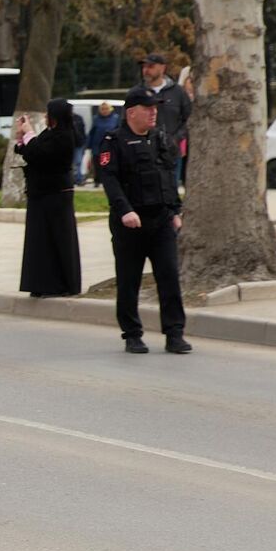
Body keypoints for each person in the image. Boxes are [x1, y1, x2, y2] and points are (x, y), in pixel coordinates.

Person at [98, 86, 189, 354]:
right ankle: (132, 334)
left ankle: (174, 333)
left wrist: (175, 211)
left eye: (155, 108)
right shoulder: (113, 142)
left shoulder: (160, 138)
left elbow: (169, 177)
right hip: (130, 223)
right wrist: (125, 210)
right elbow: (110, 180)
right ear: (131, 112)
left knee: (169, 276)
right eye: (148, 109)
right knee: (129, 280)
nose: (153, 113)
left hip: (160, 221)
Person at [14, 100, 83, 298]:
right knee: (40, 241)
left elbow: (42, 153)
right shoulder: (50, 134)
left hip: (56, 195)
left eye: (48, 114)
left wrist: (28, 133)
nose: (45, 116)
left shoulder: (65, 136)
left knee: (57, 240)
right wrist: (22, 138)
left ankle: (61, 284)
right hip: (40, 194)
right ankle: (40, 283)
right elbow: (31, 153)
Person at [139, 53, 192, 182]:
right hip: (143, 152)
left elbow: (189, 119)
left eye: (151, 66)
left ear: (162, 68)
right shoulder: (137, 92)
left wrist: (176, 139)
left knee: (169, 190)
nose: (146, 70)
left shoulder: (178, 93)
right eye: (144, 66)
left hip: (171, 152)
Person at [83, 101, 120, 186]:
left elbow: (118, 131)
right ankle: (97, 180)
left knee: (108, 163)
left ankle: (108, 180)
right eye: (102, 109)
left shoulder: (115, 118)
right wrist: (88, 145)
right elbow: (92, 132)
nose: (104, 111)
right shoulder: (96, 119)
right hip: (97, 145)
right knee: (97, 164)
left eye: (106, 109)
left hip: (110, 145)